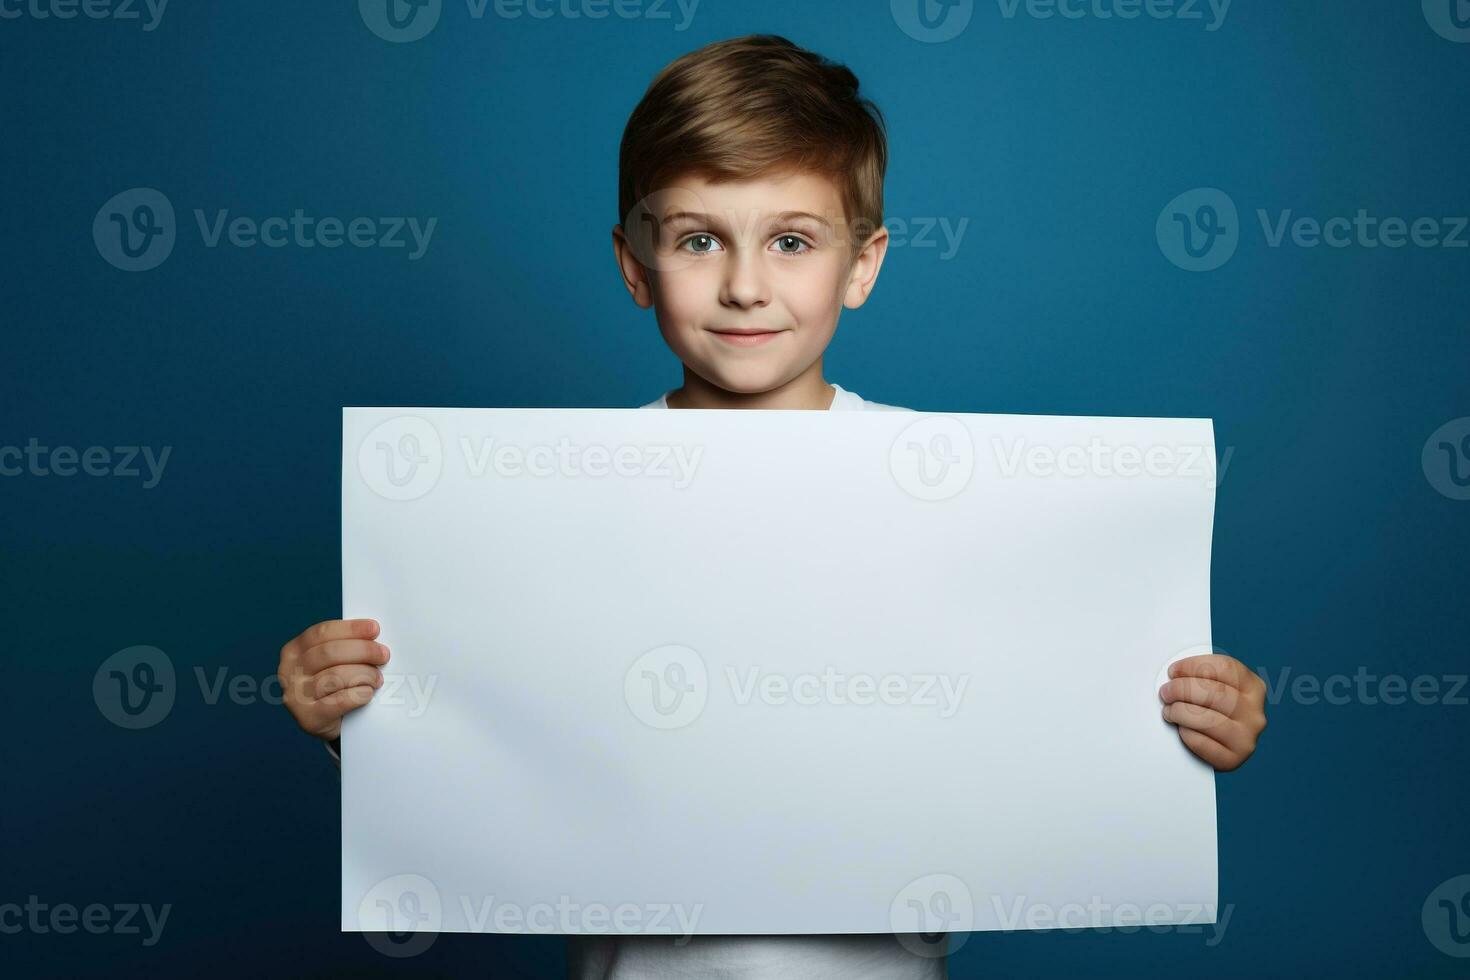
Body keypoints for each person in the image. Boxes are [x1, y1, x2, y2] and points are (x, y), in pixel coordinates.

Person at [276, 33, 1268, 980]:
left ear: (863, 263)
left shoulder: (954, 492)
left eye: (792, 240)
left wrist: (1187, 717)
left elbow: (1048, 703)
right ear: (634, 264)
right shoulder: (552, 503)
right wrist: (357, 722)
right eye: (700, 239)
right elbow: (499, 726)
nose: (746, 285)